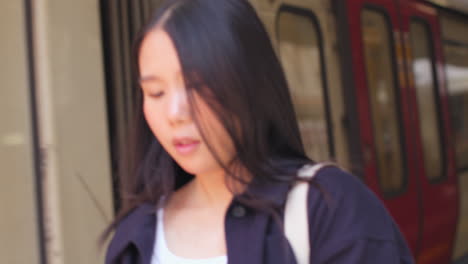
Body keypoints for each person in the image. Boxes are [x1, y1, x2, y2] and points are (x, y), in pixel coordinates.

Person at [104, 0, 414, 263]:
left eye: (197, 86)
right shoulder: (136, 234)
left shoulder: (331, 209)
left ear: (250, 83)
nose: (174, 114)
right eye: (156, 93)